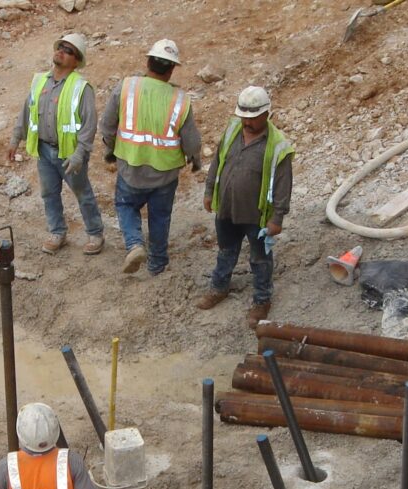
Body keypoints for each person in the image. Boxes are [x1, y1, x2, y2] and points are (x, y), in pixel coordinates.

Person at [99, 39, 202, 276]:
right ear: (172, 69)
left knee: (125, 205)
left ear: (147, 62)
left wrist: (110, 149)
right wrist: (194, 159)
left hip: (131, 167)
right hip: (165, 174)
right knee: (160, 216)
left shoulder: (126, 87)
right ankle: (157, 264)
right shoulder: (180, 98)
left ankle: (134, 244)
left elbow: (107, 126)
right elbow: (192, 141)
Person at [197, 86, 294, 325]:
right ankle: (219, 288)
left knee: (260, 259)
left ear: (267, 114)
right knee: (226, 251)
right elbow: (218, 160)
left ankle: (262, 300)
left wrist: (277, 219)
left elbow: (283, 184)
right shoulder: (232, 130)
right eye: (244, 118)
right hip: (227, 208)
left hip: (257, 215)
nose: (247, 123)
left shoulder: (278, 146)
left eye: (253, 119)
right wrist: (209, 191)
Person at [5, 34, 105, 256]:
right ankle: (57, 232)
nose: (61, 51)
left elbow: (90, 123)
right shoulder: (40, 81)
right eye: (60, 47)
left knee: (82, 193)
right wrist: (15, 139)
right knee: (49, 193)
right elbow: (26, 112)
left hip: (70, 154)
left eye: (68, 50)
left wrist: (80, 153)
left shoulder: (81, 87)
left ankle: (95, 233)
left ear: (76, 61)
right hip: (44, 150)